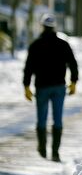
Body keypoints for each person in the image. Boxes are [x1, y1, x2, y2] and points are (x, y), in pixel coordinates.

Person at [23, 14, 78, 162]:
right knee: (57, 120)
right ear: (54, 27)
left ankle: (42, 150)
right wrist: (73, 82)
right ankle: (55, 152)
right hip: (59, 87)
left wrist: (26, 85)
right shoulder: (63, 44)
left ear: (42, 26)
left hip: (42, 87)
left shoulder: (35, 45)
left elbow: (28, 67)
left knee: (41, 119)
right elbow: (73, 63)